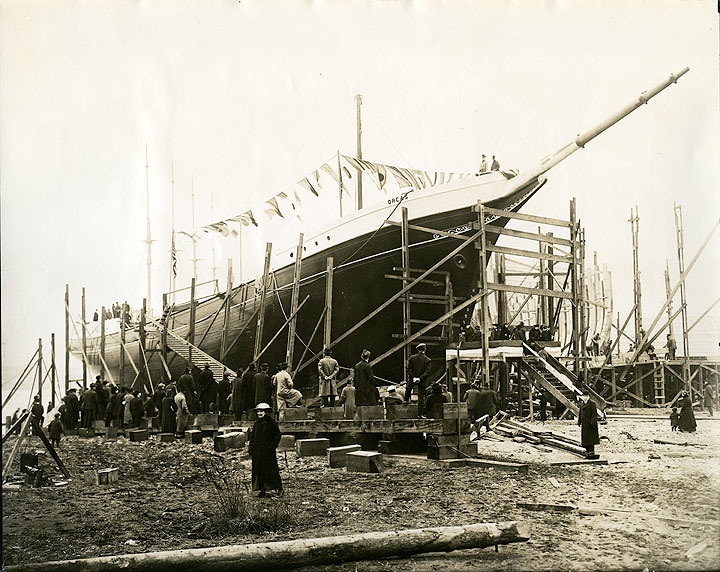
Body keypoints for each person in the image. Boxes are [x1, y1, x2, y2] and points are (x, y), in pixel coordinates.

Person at [248, 402, 283, 497]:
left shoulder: (271, 422)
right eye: (258, 411)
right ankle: (262, 490)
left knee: (272, 470)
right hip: (258, 452)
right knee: (259, 471)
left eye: (262, 411)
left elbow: (277, 436)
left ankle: (279, 488)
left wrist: (271, 447)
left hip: (268, 452)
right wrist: (251, 448)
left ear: (266, 412)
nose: (259, 413)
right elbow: (253, 437)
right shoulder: (257, 424)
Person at [405, 343, 432, 416]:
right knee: (421, 398)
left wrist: (413, 377)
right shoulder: (428, 360)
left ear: (417, 350)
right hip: (422, 381)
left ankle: (406, 402)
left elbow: (408, 369)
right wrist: (420, 378)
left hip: (412, 379)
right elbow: (427, 371)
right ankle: (419, 414)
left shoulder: (411, 358)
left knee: (408, 389)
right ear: (425, 350)